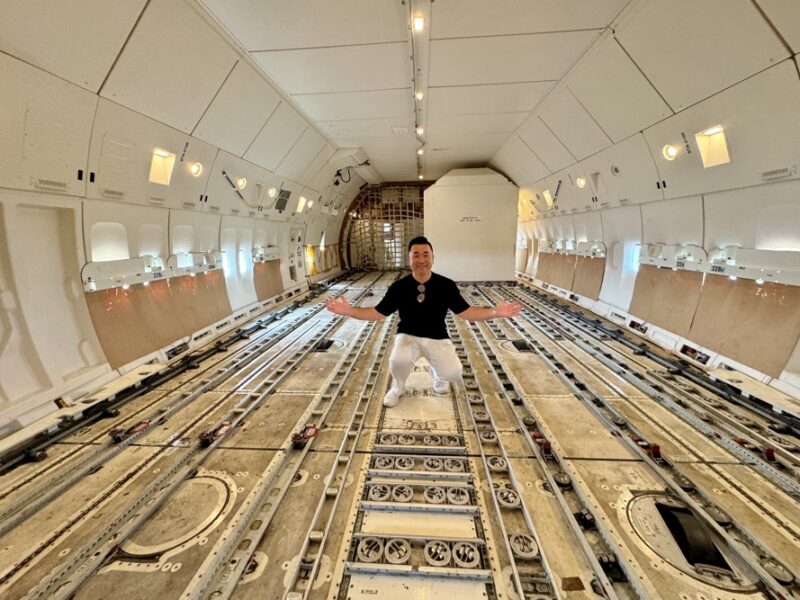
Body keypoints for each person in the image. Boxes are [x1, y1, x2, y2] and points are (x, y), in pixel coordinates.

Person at [325, 236, 523, 407]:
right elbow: (378, 313)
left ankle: (439, 374)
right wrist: (349, 311)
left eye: (425, 254)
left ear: (433, 258)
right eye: (416, 255)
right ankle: (398, 387)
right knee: (397, 361)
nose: (421, 260)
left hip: (437, 337)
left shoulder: (445, 285)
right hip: (408, 336)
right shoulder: (399, 287)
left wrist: (496, 312)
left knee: (454, 373)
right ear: (409, 258)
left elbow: (467, 312)